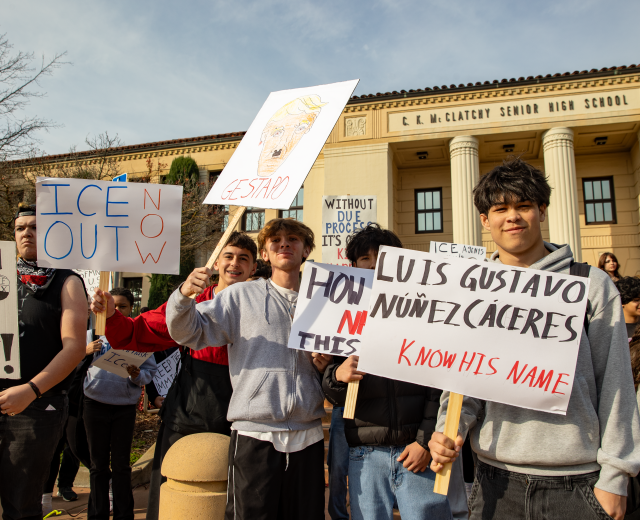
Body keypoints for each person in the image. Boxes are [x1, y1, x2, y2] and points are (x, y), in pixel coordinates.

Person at [428, 158, 640, 520]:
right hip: (494, 481)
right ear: (485, 220)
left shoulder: (590, 284)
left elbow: (616, 384)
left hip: (578, 483)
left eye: (523, 205)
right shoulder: (472, 290)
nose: (512, 217)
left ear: (542, 210)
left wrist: (616, 476)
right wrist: (447, 429)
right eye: (500, 209)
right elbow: (464, 379)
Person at [166, 218, 332, 520]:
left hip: (308, 435)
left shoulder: (325, 301)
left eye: (293, 239)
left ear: (306, 250)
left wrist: (326, 367)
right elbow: (189, 332)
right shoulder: (239, 296)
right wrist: (183, 296)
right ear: (265, 255)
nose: (284, 244)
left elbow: (341, 364)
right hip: (255, 435)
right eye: (275, 240)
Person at [91, 231, 258, 520]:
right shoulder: (191, 302)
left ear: (254, 267)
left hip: (244, 414)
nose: (235, 263)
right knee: (172, 493)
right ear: (216, 263)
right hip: (189, 411)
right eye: (228, 256)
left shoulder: (262, 307)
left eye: (243, 258)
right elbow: (140, 332)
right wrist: (112, 316)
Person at [322, 223, 454, 520]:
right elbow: (332, 392)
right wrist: (338, 376)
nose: (373, 265)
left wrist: (424, 441)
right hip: (365, 455)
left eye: (381, 257)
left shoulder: (423, 311)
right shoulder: (341, 314)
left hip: (417, 452)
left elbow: (438, 384)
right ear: (354, 266)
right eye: (364, 259)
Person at [0, 203, 87, 520]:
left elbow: (74, 348)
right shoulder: (2, 274)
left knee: (21, 505)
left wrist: (31, 390)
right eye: (20, 228)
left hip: (35, 407)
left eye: (35, 227)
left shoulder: (68, 281)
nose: (27, 233)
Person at [83, 287, 157, 520]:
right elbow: (70, 360)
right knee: (98, 465)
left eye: (121, 306)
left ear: (130, 308)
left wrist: (137, 375)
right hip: (94, 403)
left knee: (121, 465)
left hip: (124, 407)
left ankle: (124, 514)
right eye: (110, 306)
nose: (115, 310)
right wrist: (85, 351)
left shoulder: (138, 337)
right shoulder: (92, 334)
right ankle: (97, 514)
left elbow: (149, 373)